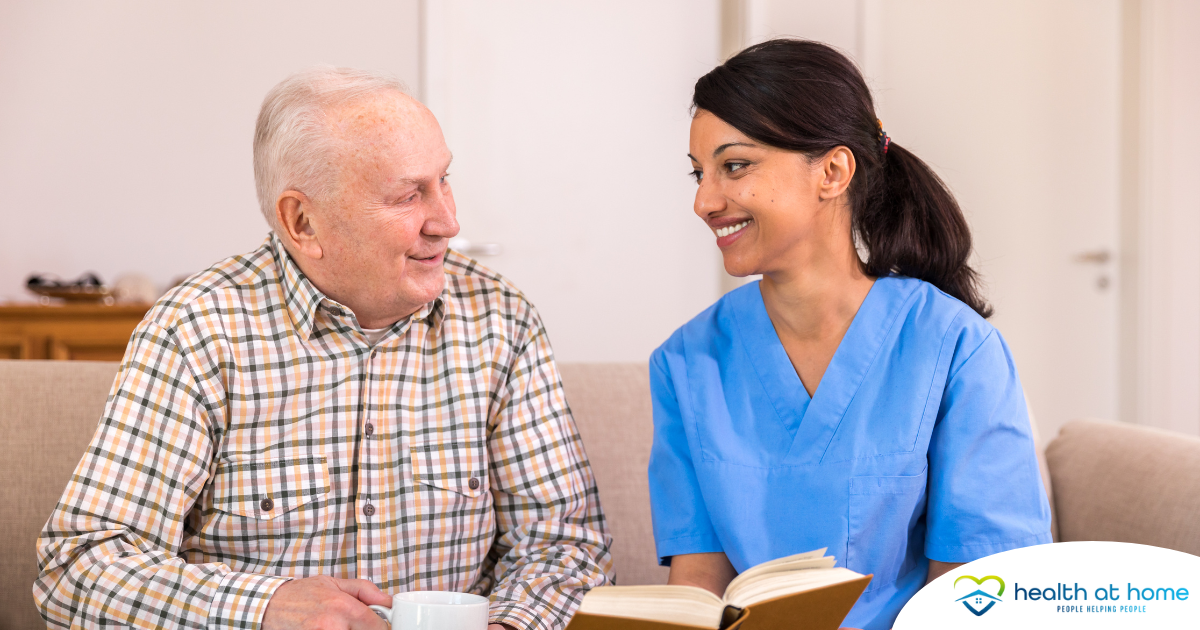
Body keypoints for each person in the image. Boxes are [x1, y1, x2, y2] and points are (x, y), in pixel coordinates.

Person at [34, 67, 613, 630]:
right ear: (302, 221)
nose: (448, 221)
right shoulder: (197, 331)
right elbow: (78, 567)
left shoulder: (500, 320)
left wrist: (509, 627)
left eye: (444, 180)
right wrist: (264, 609)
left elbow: (565, 545)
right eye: (409, 195)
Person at [647, 40, 1051, 630]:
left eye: (734, 166)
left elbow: (977, 597)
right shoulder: (685, 362)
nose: (704, 201)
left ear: (833, 172)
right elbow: (697, 592)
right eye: (698, 173)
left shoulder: (955, 350)